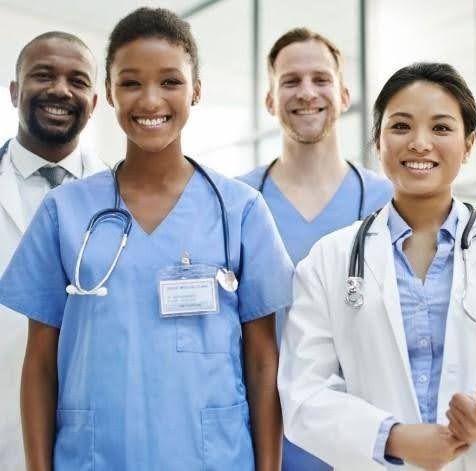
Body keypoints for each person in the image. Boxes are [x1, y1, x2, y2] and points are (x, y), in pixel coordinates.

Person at [0, 8, 292, 471]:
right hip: (95, 457)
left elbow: (263, 361)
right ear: (109, 94)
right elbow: (39, 364)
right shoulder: (64, 211)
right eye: (131, 82)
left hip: (213, 458)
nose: (150, 100)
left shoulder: (241, 210)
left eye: (171, 82)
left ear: (196, 89)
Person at [278, 62, 476, 471]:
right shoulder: (329, 260)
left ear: (468, 144)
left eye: (442, 128)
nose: (420, 143)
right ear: (377, 141)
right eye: (401, 126)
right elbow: (303, 396)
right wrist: (393, 438)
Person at [238, 27, 392, 471]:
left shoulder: (387, 202)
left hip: (367, 436)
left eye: (321, 80)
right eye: (290, 81)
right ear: (270, 100)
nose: (307, 93)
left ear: (343, 94)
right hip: (266, 441)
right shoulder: (237, 201)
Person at [0, 31, 105, 470]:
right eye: (43, 75)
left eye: (77, 81)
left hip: (96, 438)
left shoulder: (123, 198)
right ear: (14, 91)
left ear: (95, 102)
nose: (60, 90)